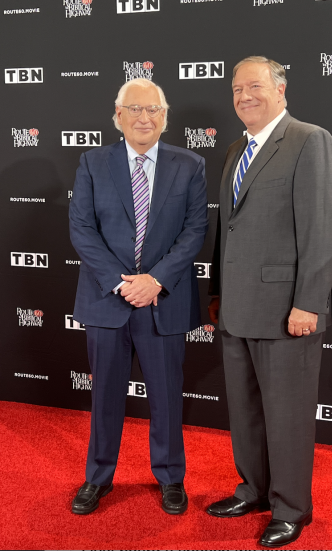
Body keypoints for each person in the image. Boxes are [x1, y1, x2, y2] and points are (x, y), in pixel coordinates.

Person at [207, 57, 332, 548]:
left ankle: (291, 508)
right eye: (237, 88)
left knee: (286, 416)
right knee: (245, 412)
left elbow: (321, 228)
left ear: (281, 89)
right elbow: (227, 232)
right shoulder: (233, 151)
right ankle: (254, 490)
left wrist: (309, 303)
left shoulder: (310, 140)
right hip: (238, 309)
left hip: (289, 311)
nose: (245, 95)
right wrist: (217, 292)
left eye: (255, 86)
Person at [69, 78, 208, 516]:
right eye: (134, 109)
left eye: (153, 110)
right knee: (105, 394)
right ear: (117, 116)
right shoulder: (92, 163)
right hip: (106, 300)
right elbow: (82, 230)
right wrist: (120, 281)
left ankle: (170, 478)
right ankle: (98, 477)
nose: (144, 117)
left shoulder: (191, 165)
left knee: (167, 395)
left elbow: (195, 231)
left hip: (162, 302)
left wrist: (155, 280)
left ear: (165, 118)